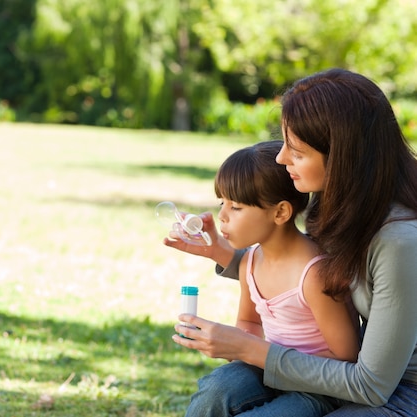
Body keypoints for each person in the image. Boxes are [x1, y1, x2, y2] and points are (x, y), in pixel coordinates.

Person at [165, 68, 417, 416]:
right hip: (346, 375)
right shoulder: (335, 205)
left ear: (343, 158)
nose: (281, 158)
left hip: (400, 390)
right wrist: (222, 253)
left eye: (296, 151)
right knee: (218, 391)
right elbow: (300, 272)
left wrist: (250, 348)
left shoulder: (399, 243)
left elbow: (370, 384)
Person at [184, 139, 360, 416]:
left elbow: (347, 358)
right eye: (222, 202)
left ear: (280, 212)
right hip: (267, 369)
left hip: (318, 388)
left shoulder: (315, 274)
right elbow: (249, 322)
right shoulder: (250, 262)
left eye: (237, 207)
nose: (222, 216)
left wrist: (258, 352)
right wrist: (227, 342)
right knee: (217, 388)